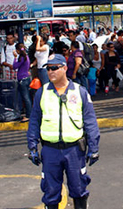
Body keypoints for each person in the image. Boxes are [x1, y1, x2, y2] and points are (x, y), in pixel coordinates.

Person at [27, 54, 100, 209]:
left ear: (65, 68)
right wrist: (32, 146)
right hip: (50, 151)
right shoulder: (42, 93)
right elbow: (34, 121)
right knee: (50, 191)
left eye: (55, 68)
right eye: (48, 68)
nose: (51, 72)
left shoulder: (80, 92)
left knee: (78, 189)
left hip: (74, 150)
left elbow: (90, 122)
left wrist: (94, 148)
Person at [13, 43, 32, 122]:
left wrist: (15, 58)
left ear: (18, 50)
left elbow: (14, 66)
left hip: (22, 79)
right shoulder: (26, 57)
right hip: (26, 78)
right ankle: (27, 113)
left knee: (25, 97)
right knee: (26, 97)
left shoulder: (21, 58)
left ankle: (28, 115)